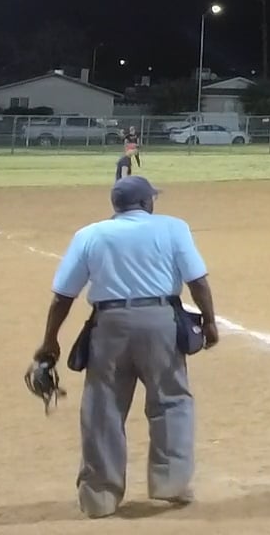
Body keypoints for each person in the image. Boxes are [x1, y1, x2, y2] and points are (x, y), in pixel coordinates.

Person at [34, 175, 217, 519]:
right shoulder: (173, 227)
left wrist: (50, 341)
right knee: (171, 400)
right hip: (160, 322)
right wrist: (209, 322)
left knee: (102, 408)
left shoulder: (90, 235)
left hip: (109, 326)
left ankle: (99, 496)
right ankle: (171, 482)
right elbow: (198, 281)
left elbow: (63, 296)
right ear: (147, 202)